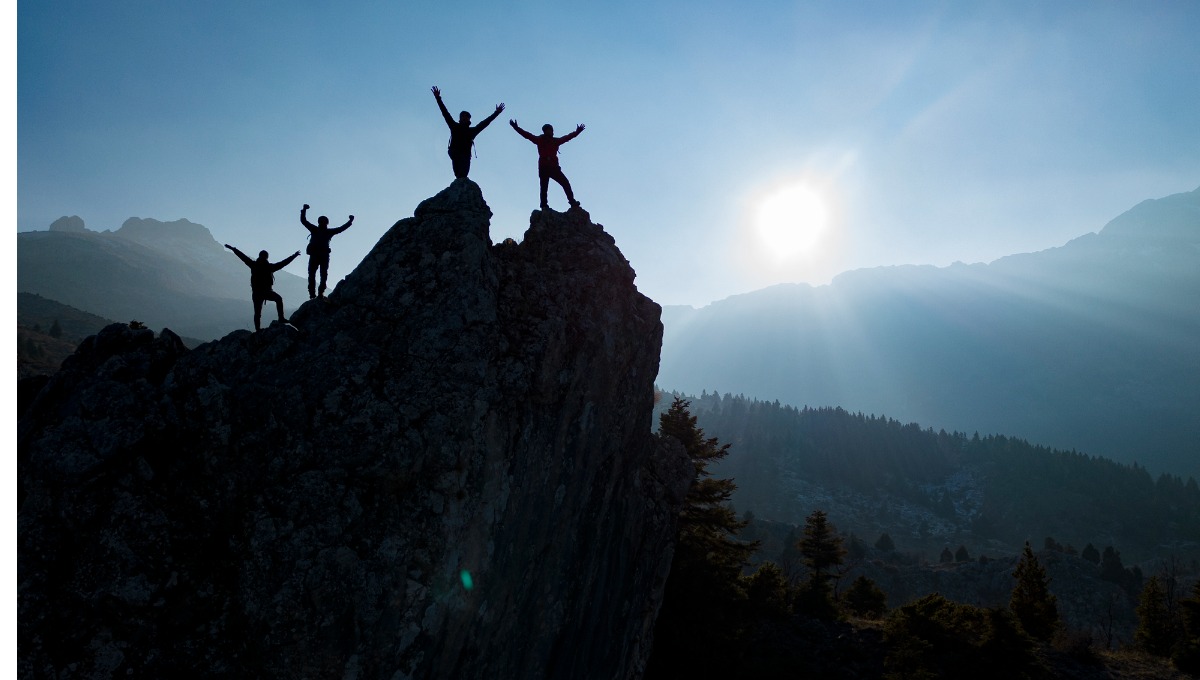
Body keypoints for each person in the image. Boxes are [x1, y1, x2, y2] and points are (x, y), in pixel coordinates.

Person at [509, 119, 585, 210]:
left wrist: (577, 132)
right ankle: (544, 205)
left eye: (551, 130)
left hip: (553, 167)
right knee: (544, 188)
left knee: (565, 183)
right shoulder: (540, 140)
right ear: (545, 131)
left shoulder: (555, 141)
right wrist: (516, 128)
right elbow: (527, 135)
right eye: (549, 130)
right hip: (544, 167)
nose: (551, 132)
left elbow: (567, 138)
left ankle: (572, 201)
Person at [431, 86, 505, 179]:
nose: (464, 119)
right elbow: (445, 113)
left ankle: (462, 182)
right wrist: (438, 98)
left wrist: (496, 113)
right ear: (460, 118)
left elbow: (485, 123)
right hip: (455, 153)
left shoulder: (471, 131)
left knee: (463, 174)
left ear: (469, 119)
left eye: (466, 117)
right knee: (459, 173)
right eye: (463, 117)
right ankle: (460, 180)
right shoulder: (455, 127)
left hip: (465, 156)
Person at [225, 244, 300, 331]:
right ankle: (281, 318)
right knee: (278, 299)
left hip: (257, 293)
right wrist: (294, 256)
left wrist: (233, 249)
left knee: (257, 313)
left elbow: (243, 257)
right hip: (266, 292)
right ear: (267, 257)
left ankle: (258, 330)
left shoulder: (254, 265)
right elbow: (283, 263)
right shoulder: (269, 267)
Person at [300, 204, 353, 299]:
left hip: (319, 255)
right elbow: (341, 229)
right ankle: (316, 293)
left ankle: (316, 293)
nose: (323, 223)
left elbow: (304, 221)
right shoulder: (320, 230)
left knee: (318, 274)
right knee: (320, 274)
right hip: (319, 255)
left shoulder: (317, 230)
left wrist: (350, 221)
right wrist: (350, 221)